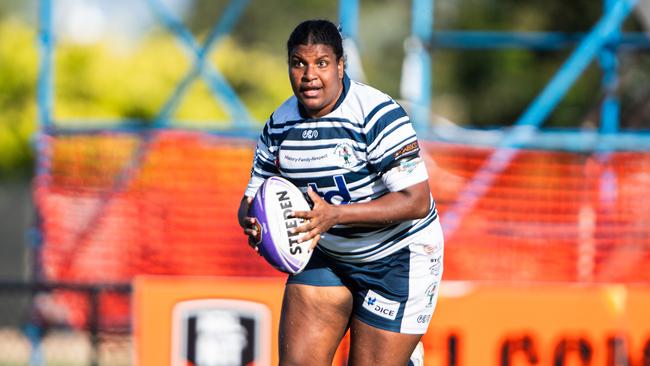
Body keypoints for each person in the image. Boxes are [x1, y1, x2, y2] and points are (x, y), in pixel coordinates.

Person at [237, 19, 444, 365]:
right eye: (298, 63)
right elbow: (250, 200)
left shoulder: (377, 114)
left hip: (398, 259)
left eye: (321, 63)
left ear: (341, 65)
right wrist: (255, 223)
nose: (309, 76)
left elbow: (417, 201)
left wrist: (336, 215)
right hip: (326, 253)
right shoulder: (279, 126)